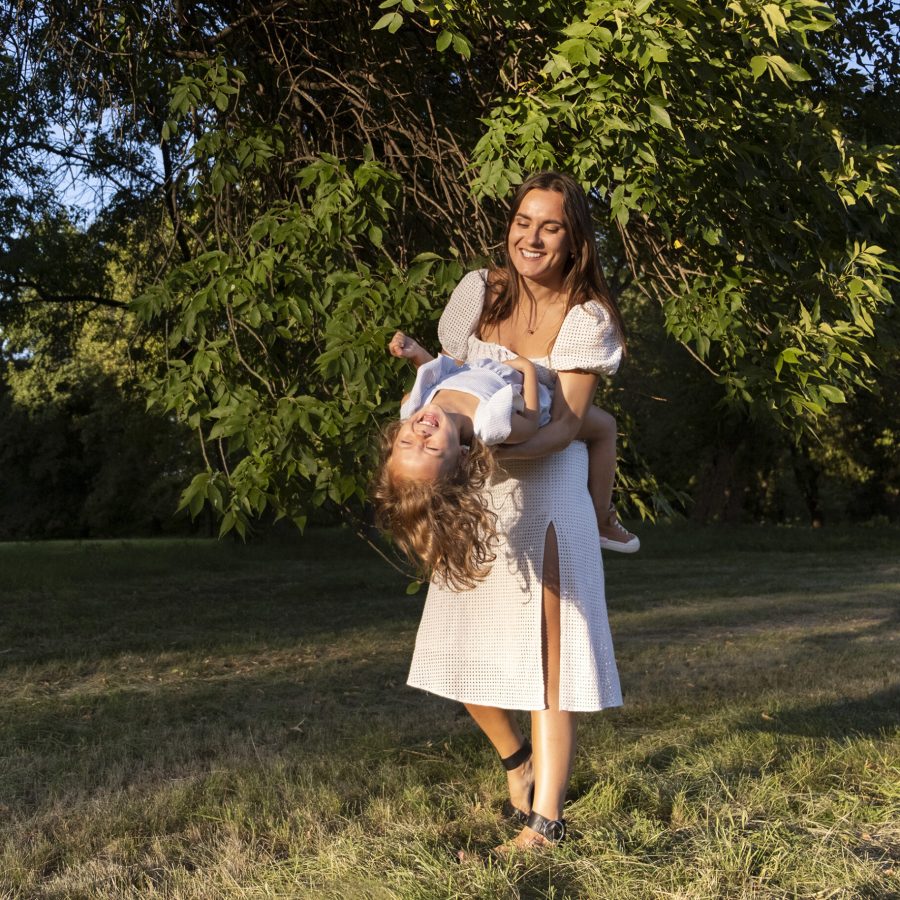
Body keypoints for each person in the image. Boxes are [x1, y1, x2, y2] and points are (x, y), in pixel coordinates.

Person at [396, 171, 629, 854]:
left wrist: (500, 438)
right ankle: (517, 762)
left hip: (551, 489)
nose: (532, 237)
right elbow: (451, 376)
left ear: (573, 238)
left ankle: (545, 823)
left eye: (550, 226)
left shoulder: (588, 318)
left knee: (549, 665)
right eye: (524, 221)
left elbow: (569, 429)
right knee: (456, 644)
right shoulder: (480, 291)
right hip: (481, 490)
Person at [373, 330, 638, 587]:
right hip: (539, 398)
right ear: (459, 456)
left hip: (490, 365)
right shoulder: (488, 424)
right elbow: (531, 422)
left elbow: (442, 377)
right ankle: (602, 519)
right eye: (431, 449)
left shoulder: (414, 410)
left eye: (406, 442)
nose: (421, 435)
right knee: (605, 427)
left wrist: (416, 353)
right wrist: (528, 369)